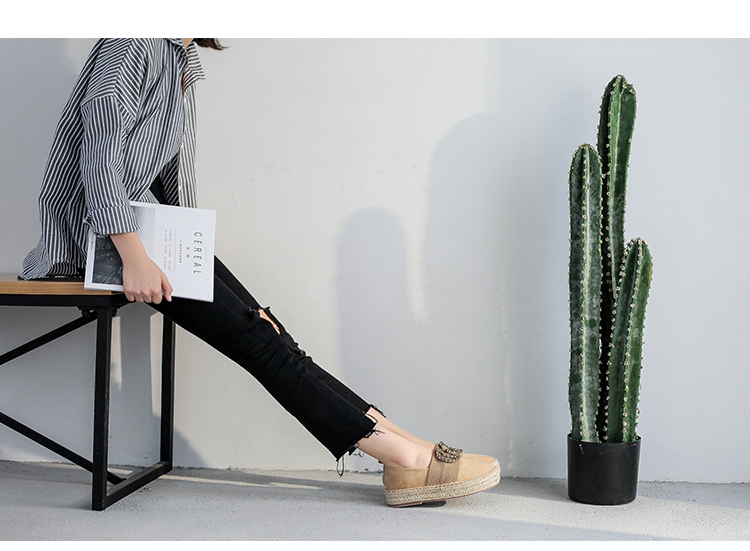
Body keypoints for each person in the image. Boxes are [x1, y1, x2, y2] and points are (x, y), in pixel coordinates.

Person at [21, 38, 500, 507]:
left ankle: (405, 448)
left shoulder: (178, 56)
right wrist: (134, 256)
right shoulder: (133, 41)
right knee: (259, 342)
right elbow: (99, 156)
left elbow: (168, 178)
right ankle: (401, 457)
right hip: (98, 245)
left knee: (268, 331)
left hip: (147, 237)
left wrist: (187, 248)